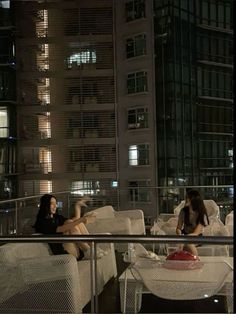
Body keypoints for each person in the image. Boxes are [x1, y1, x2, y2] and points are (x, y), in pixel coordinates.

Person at [33, 194, 103, 260]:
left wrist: (77, 206)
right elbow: (61, 229)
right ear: (45, 205)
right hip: (63, 253)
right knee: (70, 223)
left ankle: (91, 247)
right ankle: (87, 249)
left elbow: (75, 221)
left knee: (74, 222)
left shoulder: (57, 217)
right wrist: (83, 219)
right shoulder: (42, 222)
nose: (55, 206)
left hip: (72, 247)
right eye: (52, 203)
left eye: (55, 203)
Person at [176, 189, 209, 255]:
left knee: (189, 244)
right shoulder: (183, 211)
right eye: (187, 198)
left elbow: (196, 233)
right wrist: (180, 236)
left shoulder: (201, 214)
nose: (186, 200)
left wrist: (184, 239)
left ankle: (196, 261)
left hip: (197, 237)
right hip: (185, 235)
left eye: (188, 198)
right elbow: (178, 228)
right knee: (184, 245)